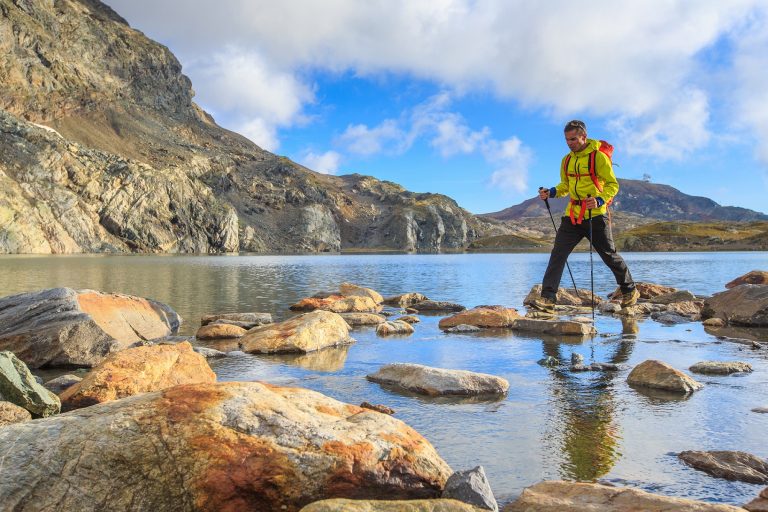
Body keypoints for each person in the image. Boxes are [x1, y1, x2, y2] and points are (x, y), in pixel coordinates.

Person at [531, 119, 639, 315]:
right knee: (558, 254)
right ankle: (548, 298)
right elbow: (565, 186)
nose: (570, 143)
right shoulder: (566, 160)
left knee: (609, 255)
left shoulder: (598, 157)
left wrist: (599, 200)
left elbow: (612, 185)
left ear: (584, 137)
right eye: (566, 140)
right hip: (572, 216)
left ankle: (630, 290)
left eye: (573, 139)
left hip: (596, 215)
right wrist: (552, 192)